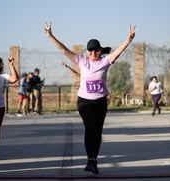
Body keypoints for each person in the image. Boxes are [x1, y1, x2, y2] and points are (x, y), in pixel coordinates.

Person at [45, 21, 135, 174]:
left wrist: (128, 40)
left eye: (96, 50)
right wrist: (50, 35)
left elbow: (118, 52)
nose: (93, 52)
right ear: (87, 51)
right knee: (90, 128)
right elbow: (64, 50)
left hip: (100, 102)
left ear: (100, 51)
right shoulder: (81, 61)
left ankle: (93, 160)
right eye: (90, 50)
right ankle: (90, 159)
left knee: (97, 131)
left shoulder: (105, 62)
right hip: (84, 102)